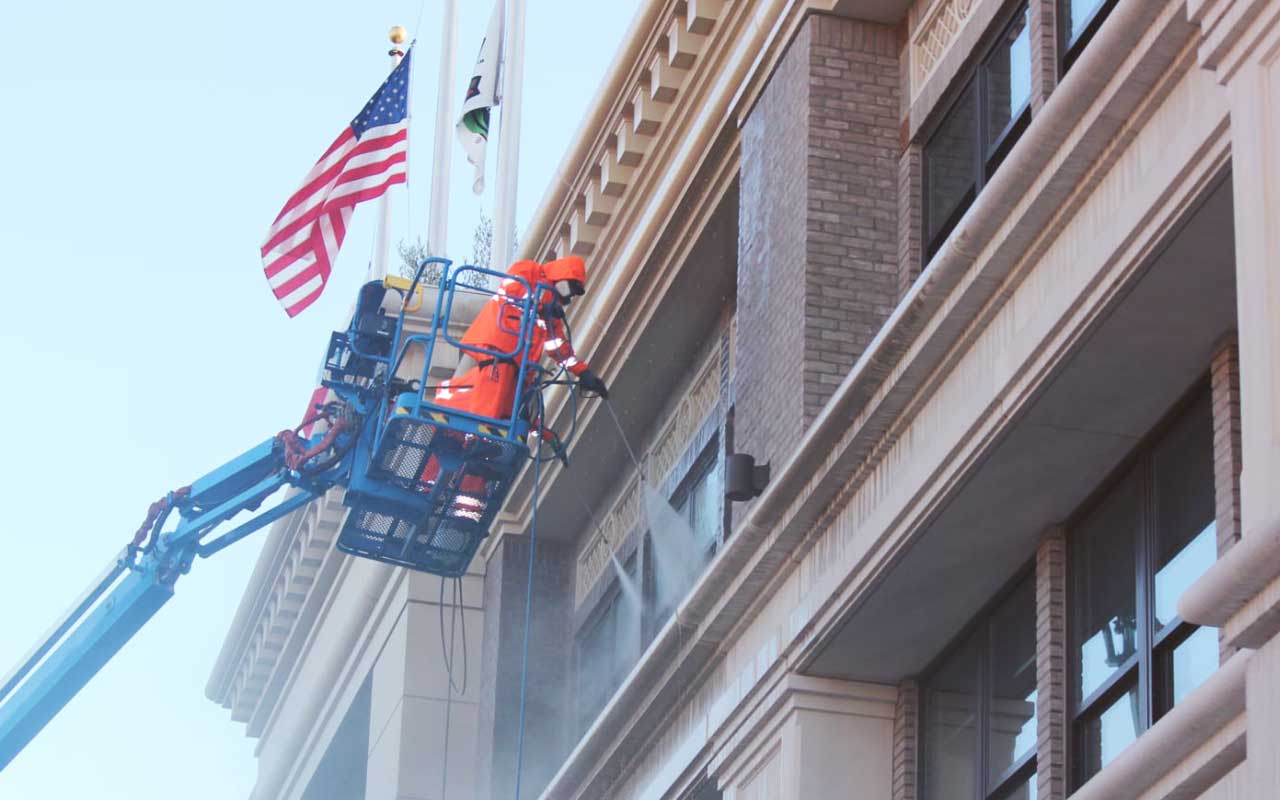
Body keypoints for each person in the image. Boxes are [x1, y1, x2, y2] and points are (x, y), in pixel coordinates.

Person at [422, 256, 608, 521]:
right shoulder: (529, 271)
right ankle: (475, 445)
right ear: (561, 277)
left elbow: (559, 350)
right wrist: (543, 303)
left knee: (503, 421)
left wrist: (584, 373)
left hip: (518, 365)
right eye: (570, 289)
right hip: (500, 349)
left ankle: (463, 517)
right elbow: (510, 290)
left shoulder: (551, 317)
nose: (569, 297)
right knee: (493, 401)